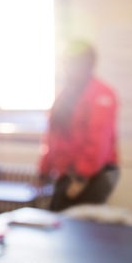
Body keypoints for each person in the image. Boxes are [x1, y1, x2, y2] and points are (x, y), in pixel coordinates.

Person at [38, 39, 120, 212]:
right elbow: (53, 136)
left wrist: (81, 177)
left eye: (74, 63)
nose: (69, 68)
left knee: (79, 222)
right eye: (67, 62)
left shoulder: (101, 94)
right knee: (57, 214)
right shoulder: (65, 95)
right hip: (67, 171)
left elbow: (98, 140)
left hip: (95, 173)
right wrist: (44, 170)